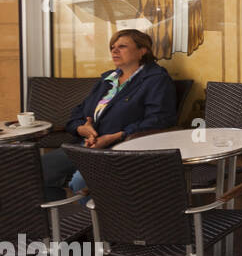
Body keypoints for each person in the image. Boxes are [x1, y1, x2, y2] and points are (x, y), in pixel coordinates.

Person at [41, 29, 178, 202]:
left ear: (142, 51)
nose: (114, 51)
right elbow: (78, 112)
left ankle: (102, 219)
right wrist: (82, 129)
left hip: (121, 149)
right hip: (87, 145)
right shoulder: (108, 79)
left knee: (80, 182)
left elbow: (160, 119)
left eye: (122, 46)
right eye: (112, 47)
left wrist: (117, 135)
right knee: (36, 170)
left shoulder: (156, 79)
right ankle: (59, 216)